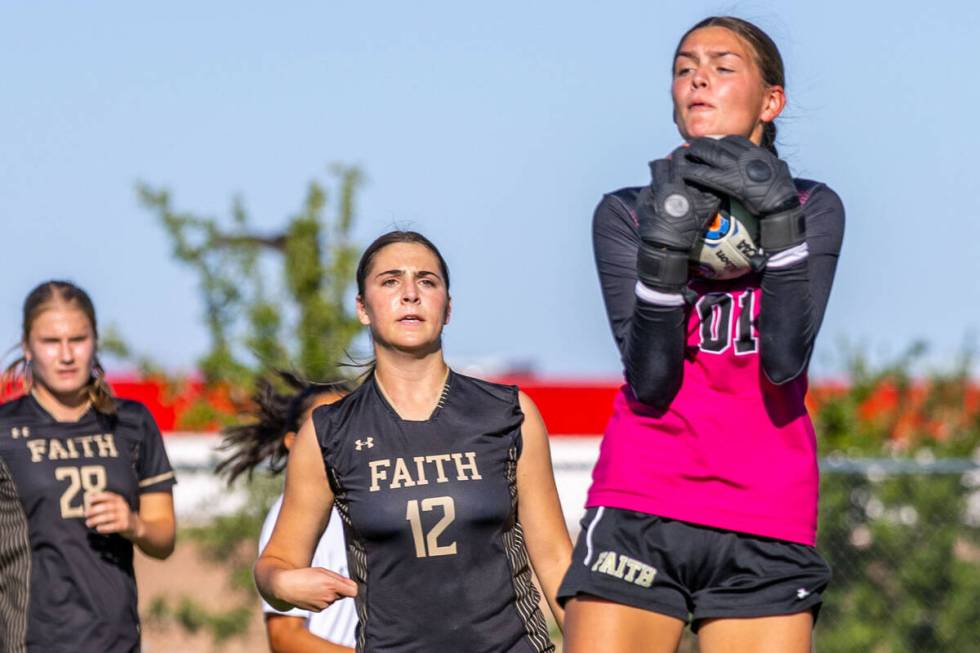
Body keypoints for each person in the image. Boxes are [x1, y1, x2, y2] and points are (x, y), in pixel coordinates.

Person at [558, 16, 845, 653]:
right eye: (685, 67)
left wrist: (778, 221)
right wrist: (663, 256)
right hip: (642, 494)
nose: (698, 79)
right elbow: (652, 380)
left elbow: (783, 362)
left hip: (764, 504)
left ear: (771, 100)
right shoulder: (627, 210)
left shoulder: (812, 204)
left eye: (722, 66)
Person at [255, 230, 572, 652]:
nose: (410, 294)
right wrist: (282, 583)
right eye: (390, 281)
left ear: (449, 308)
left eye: (427, 281)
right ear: (362, 308)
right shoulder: (328, 432)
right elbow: (274, 565)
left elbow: (555, 559)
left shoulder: (509, 413)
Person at [0, 281, 177, 653]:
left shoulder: (132, 421)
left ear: (95, 340)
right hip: (29, 642)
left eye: (77, 339)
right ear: (27, 345)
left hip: (117, 642)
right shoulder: (4, 429)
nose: (66, 355)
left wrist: (135, 524)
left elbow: (164, 539)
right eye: (51, 341)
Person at [217, 370, 357, 652]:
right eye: (325, 426)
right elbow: (284, 637)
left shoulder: (371, 502)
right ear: (294, 442)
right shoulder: (292, 514)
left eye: (347, 423)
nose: (338, 436)